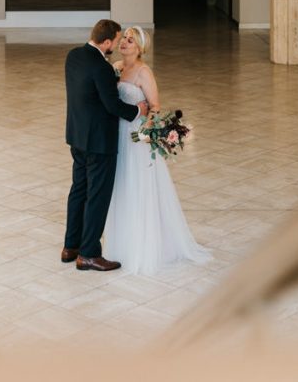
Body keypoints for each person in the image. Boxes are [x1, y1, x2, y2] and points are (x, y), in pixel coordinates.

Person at [103, 26, 212, 275]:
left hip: (136, 137)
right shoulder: (117, 67)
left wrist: (146, 130)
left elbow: (154, 106)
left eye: (130, 41)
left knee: (137, 185)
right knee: (120, 184)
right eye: (125, 39)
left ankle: (143, 244)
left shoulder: (143, 72)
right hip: (117, 133)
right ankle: (120, 241)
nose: (125, 43)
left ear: (140, 48)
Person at [62, 19, 149, 271]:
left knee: (79, 190)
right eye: (118, 38)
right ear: (107, 41)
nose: (120, 43)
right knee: (97, 197)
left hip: (77, 136)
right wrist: (137, 110)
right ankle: (89, 254)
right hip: (99, 142)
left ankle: (71, 246)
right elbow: (113, 106)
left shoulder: (74, 56)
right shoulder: (101, 67)